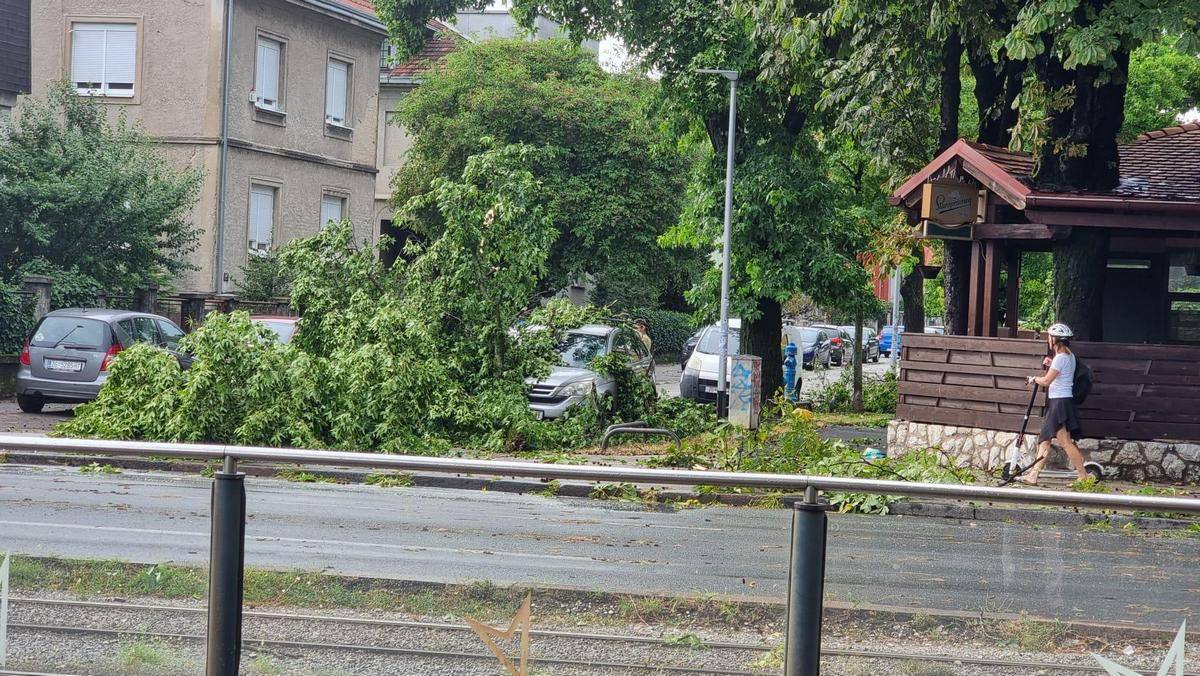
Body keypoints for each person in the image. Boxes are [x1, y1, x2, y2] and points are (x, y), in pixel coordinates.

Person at [1020, 323, 1088, 484]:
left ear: (1055, 340)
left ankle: (1083, 476)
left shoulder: (1060, 358)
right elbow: (1062, 373)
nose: (1048, 339)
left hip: (1059, 403)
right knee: (1046, 439)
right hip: (1063, 402)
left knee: (1064, 442)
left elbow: (1046, 381)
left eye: (1050, 337)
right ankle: (1033, 475)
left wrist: (1033, 379)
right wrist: (1051, 364)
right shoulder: (1069, 356)